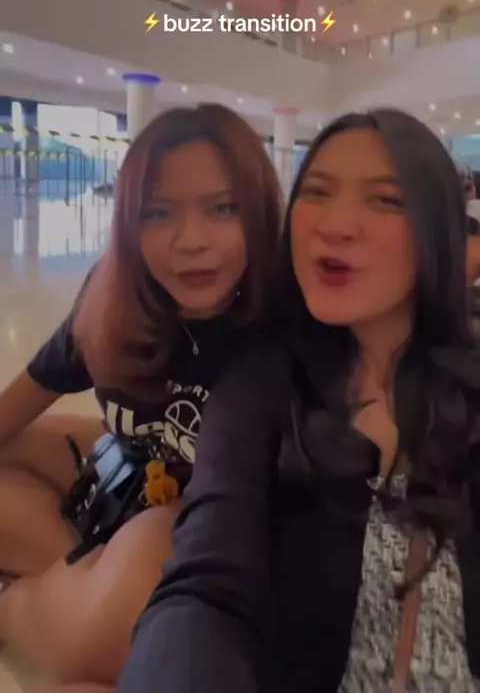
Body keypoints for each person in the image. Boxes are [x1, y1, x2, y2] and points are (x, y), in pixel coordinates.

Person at [118, 109, 480, 693]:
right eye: (317, 192)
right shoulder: (261, 382)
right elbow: (207, 578)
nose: (335, 225)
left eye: (385, 200)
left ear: (436, 226)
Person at [0, 103, 282, 686]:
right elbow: (19, 403)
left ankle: (28, 603)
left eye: (223, 208)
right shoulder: (114, 298)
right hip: (121, 476)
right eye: (158, 212)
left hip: (191, 531)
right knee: (13, 446)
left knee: (109, 630)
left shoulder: (283, 325)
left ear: (259, 213)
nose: (191, 240)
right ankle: (75, 589)